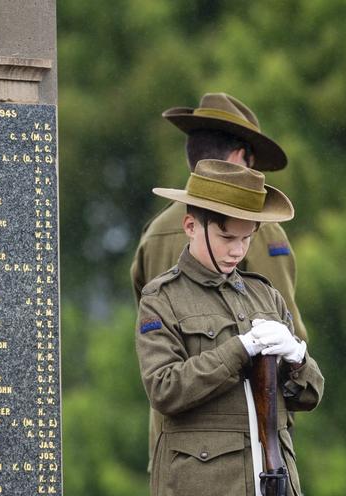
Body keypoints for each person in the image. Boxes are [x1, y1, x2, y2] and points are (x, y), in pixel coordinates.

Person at [135, 159, 324, 496]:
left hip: (270, 487)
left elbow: (309, 395)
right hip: (203, 492)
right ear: (191, 225)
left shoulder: (265, 294)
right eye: (227, 235)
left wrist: (296, 360)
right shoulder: (163, 299)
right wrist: (236, 351)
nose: (239, 249)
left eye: (247, 237)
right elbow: (166, 388)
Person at [130, 92, 305, 339]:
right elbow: (284, 331)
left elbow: (150, 331)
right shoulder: (259, 226)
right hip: (237, 375)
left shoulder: (154, 231)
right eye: (250, 160)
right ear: (236, 159)